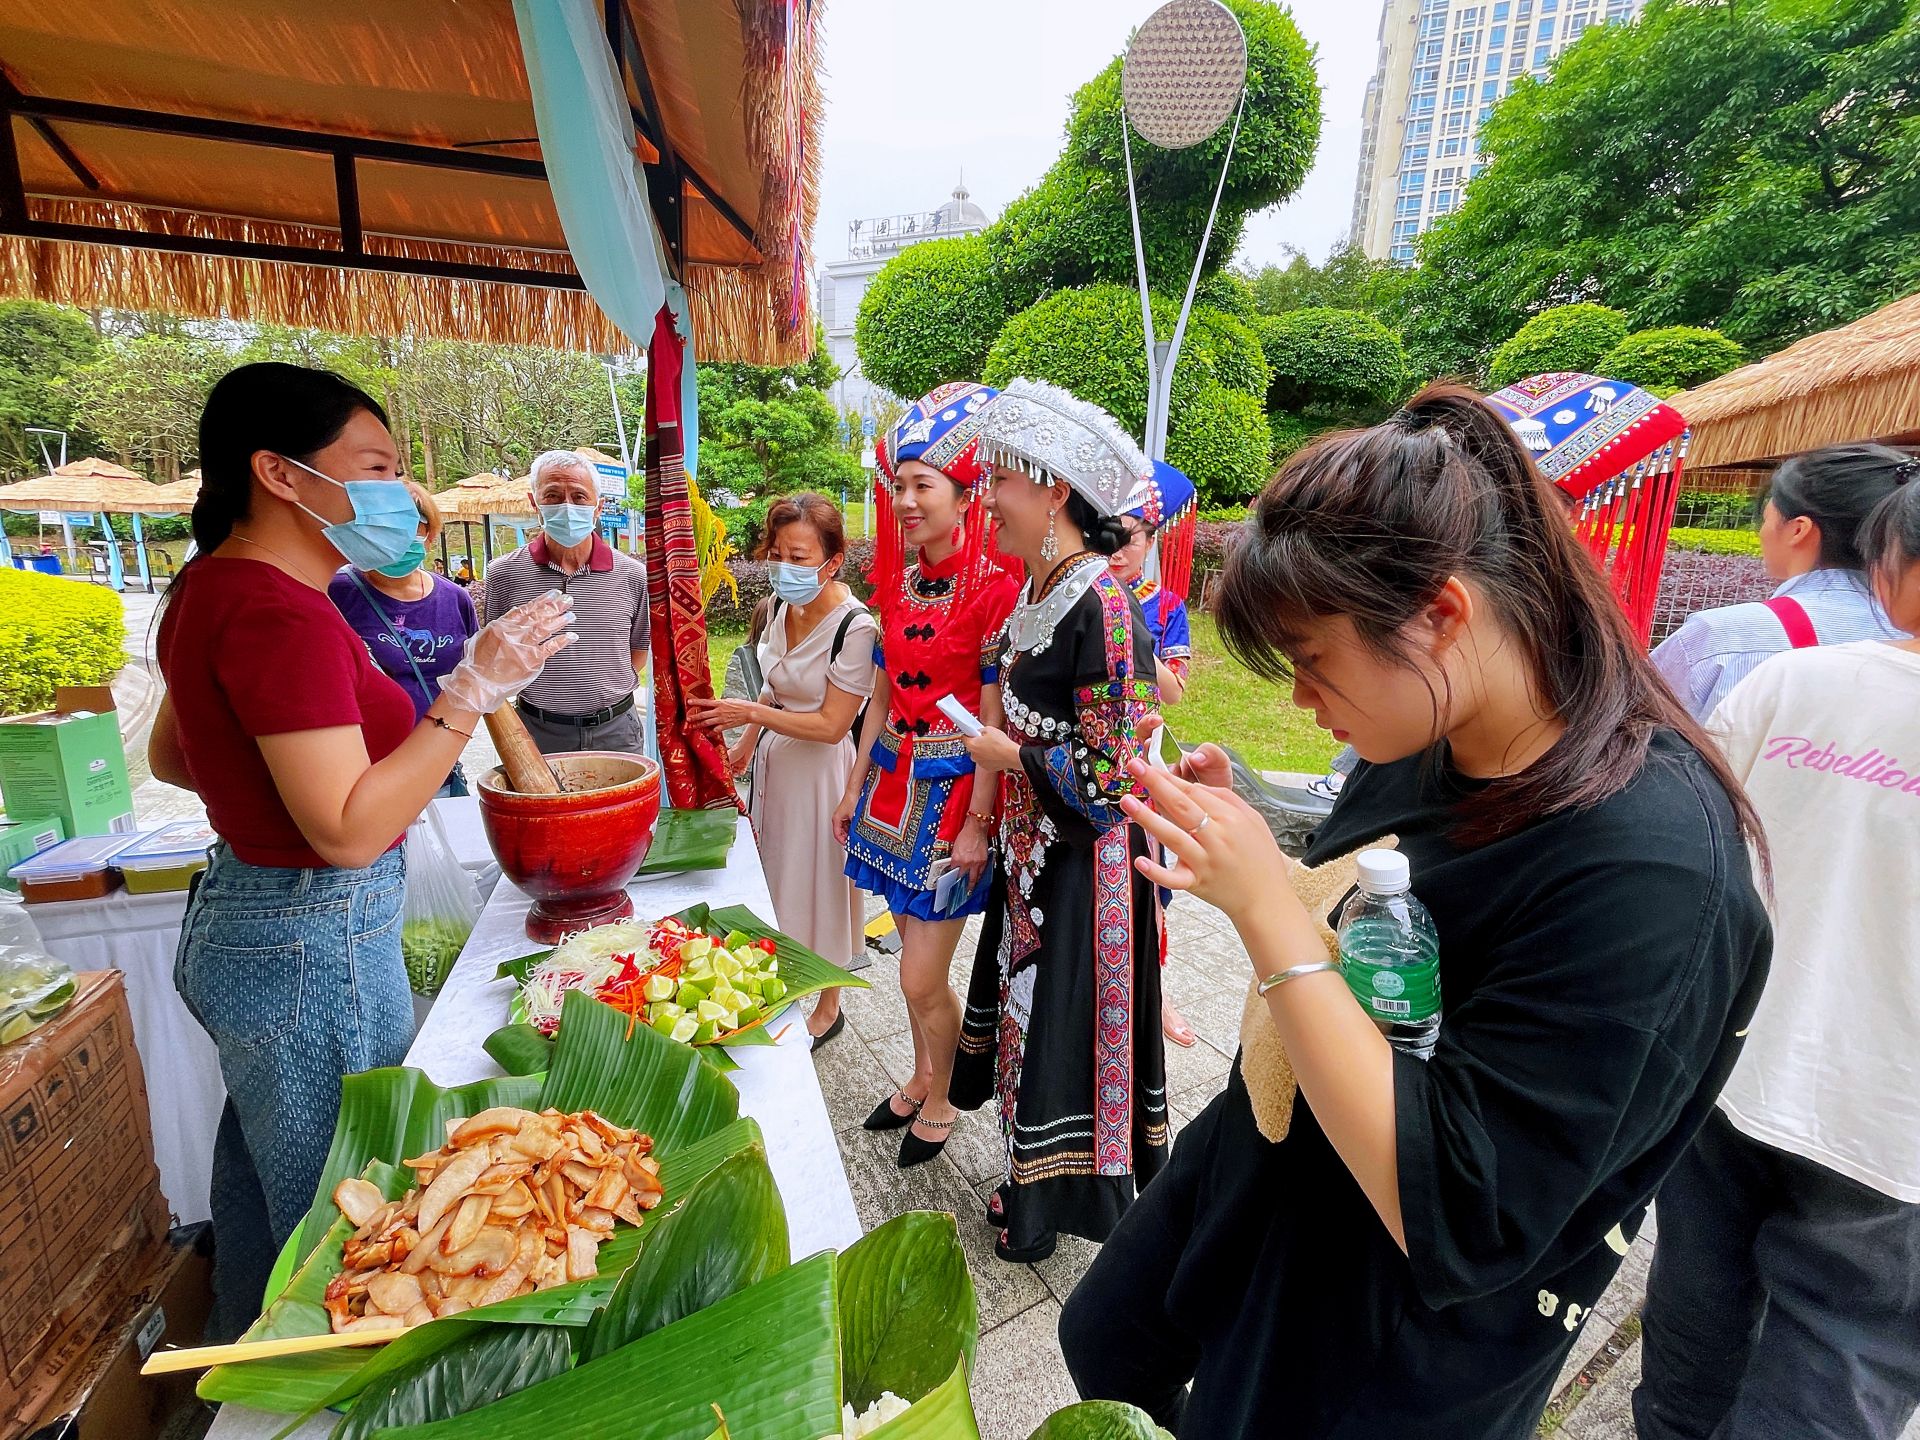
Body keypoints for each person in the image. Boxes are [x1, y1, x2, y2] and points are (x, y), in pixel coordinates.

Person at [1057, 384, 1772, 1438]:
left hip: (1393, 1313)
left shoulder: (1655, 877)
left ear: (1441, 614)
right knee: (1104, 1342)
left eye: (1312, 661)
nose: (1302, 700)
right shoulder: (1442, 735)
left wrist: (1265, 911)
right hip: (1283, 1150)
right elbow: (1375, 885)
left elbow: (1462, 1210)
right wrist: (1256, 823)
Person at [148, 362, 572, 1339]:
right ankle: (319, 1387)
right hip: (310, 942)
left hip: (246, 921)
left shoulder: (215, 587)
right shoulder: (279, 611)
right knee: (347, 1222)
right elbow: (346, 829)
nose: (393, 490)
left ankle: (236, 1363)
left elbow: (178, 755)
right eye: (374, 466)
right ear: (280, 474)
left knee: (266, 1195)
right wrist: (468, 691)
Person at [1635, 461, 1920, 1440]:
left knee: (1688, 1359)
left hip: (1731, 1076)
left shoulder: (1787, 682)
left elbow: (1684, 856)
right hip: (1893, 1140)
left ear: (1890, 570)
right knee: (1831, 1391)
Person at [950, 377, 1171, 1265]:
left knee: (1062, 1028)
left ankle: (1051, 1206)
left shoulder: (1106, 607)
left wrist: (1012, 760)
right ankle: (1023, 1173)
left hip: (1083, 873)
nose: (986, 500)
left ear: (1050, 491)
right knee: (1024, 1020)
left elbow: (1111, 772)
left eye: (998, 481)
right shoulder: (1034, 593)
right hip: (1029, 856)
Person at [834, 382, 1020, 1168]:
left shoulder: (997, 589)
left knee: (917, 976)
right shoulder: (897, 580)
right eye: (899, 486)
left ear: (964, 493)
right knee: (913, 960)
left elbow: (994, 720)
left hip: (951, 803)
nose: (905, 501)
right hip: (887, 793)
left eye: (923, 486)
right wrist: (851, 785)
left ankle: (943, 1096)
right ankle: (919, 1074)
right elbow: (878, 696)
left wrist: (981, 823)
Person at [689, 495, 877, 1050]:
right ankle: (786, 980)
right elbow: (774, 683)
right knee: (779, 878)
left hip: (821, 772)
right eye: (778, 554)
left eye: (800, 556)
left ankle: (829, 1003)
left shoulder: (855, 626)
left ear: (833, 559)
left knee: (819, 881)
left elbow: (830, 723)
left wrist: (747, 714)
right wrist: (748, 743)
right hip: (774, 766)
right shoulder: (777, 607)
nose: (786, 568)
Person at [1651, 444, 1909, 720]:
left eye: (1765, 519)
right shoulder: (1908, 640)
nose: (1762, 533)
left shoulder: (1723, 637)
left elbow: (1629, 733)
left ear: (1798, 530)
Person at [1109, 459, 1199, 1048]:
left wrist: (1136, 634)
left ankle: (1157, 997)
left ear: (1150, 541)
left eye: (1130, 538)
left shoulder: (1165, 607)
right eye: (1106, 534)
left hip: (1139, 769)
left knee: (1149, 891)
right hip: (1078, 761)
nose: (1116, 549)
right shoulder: (1074, 598)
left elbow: (1176, 690)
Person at [482, 450, 650, 754]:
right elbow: (496, 653)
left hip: (617, 731)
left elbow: (637, 651)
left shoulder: (633, 575)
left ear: (598, 507)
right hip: (538, 731)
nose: (567, 506)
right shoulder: (504, 574)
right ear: (535, 503)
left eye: (579, 496)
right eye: (553, 495)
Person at [328, 482, 480, 796]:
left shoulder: (454, 598)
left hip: (438, 764)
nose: (396, 540)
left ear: (430, 534)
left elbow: (474, 677)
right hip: (367, 771)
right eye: (385, 530)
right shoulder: (338, 593)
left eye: (410, 527)